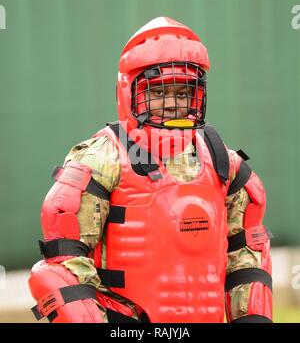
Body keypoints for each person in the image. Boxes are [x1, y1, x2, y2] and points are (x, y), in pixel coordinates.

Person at [28, 17, 273, 323]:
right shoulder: (102, 160)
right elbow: (63, 266)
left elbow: (247, 255)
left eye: (183, 93)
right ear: (128, 92)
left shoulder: (223, 161)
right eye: (158, 92)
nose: (172, 103)